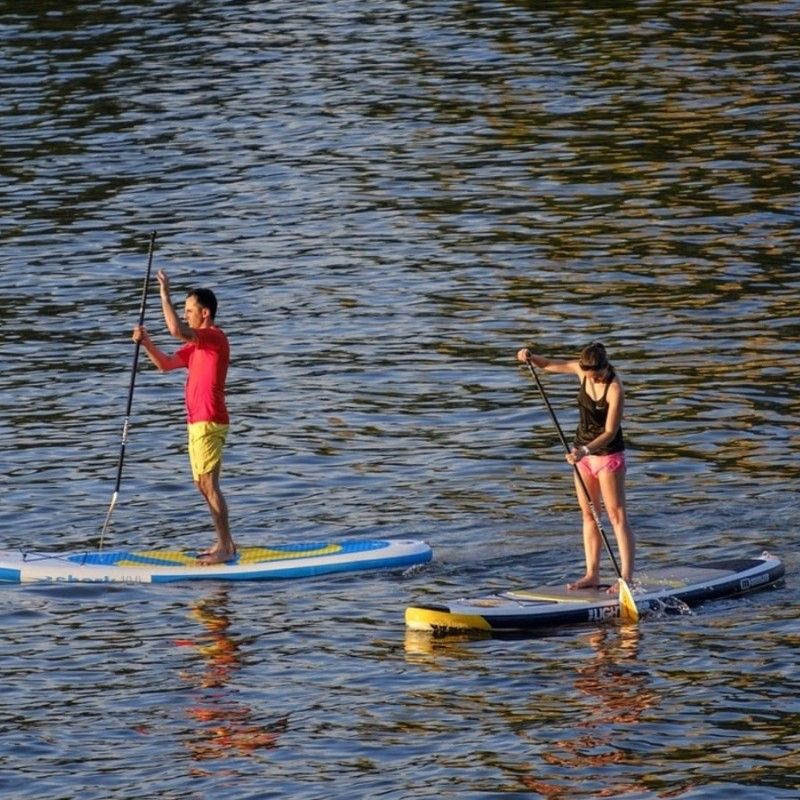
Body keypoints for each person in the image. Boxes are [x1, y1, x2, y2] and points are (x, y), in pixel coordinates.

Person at [133, 270, 235, 565]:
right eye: (185, 311)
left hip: (210, 419)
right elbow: (165, 364)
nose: (186, 315)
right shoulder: (196, 346)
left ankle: (225, 547)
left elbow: (176, 330)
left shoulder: (214, 338)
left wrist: (164, 295)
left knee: (209, 483)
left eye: (189, 311)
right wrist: (146, 342)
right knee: (201, 484)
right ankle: (226, 542)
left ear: (204, 313)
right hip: (196, 422)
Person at [516, 341, 634, 592]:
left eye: (599, 375)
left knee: (616, 515)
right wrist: (530, 356)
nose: (597, 380)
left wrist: (585, 450)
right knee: (589, 515)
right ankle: (592, 574)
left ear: (605, 368)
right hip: (582, 456)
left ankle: (626, 577)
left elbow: (611, 431)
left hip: (607, 455)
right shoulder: (581, 371)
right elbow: (548, 365)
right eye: (592, 376)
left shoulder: (615, 388)